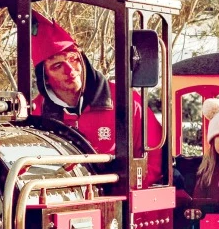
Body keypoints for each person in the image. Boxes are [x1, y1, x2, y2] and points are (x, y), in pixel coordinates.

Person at [30, 11, 163, 185]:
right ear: (44, 77)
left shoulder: (127, 102)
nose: (70, 70)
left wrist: (120, 196)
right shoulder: (35, 114)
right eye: (57, 66)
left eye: (74, 59)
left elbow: (154, 159)